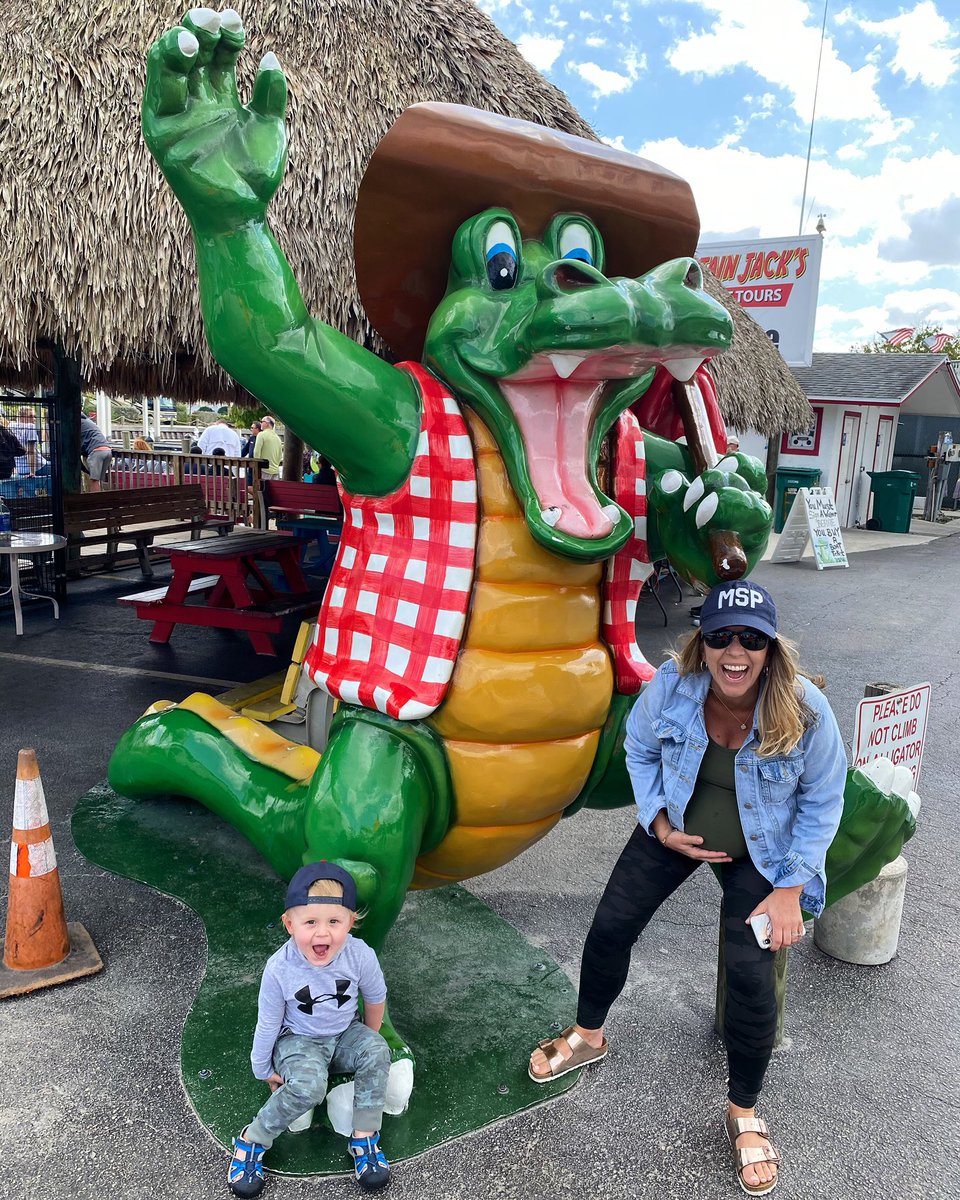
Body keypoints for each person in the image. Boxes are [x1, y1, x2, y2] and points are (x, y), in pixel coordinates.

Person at [528, 580, 846, 1196]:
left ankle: (745, 1111)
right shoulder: (673, 685)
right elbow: (640, 751)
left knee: (753, 978)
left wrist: (791, 887)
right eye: (721, 636)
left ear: (770, 649)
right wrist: (659, 822)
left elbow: (823, 799)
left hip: (766, 852)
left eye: (751, 640)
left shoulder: (804, 708)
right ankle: (589, 1034)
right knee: (612, 925)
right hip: (678, 828)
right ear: (703, 642)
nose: (735, 651)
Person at [227, 863, 393, 1198]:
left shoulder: (360, 955)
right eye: (310, 922)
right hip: (298, 1040)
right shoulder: (280, 969)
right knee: (308, 1086)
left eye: (335, 921)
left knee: (377, 1051)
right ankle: (252, 1138)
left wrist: (370, 1039)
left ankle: (363, 1136)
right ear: (290, 924)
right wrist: (262, 1067)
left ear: (351, 921)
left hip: (345, 1033)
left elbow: (375, 997)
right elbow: (269, 1021)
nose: (322, 933)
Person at [80, 414, 113, 492]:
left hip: (97, 452)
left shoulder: (76, 424)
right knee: (99, 480)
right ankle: (102, 500)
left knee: (94, 481)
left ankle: (95, 502)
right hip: (107, 451)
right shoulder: (89, 422)